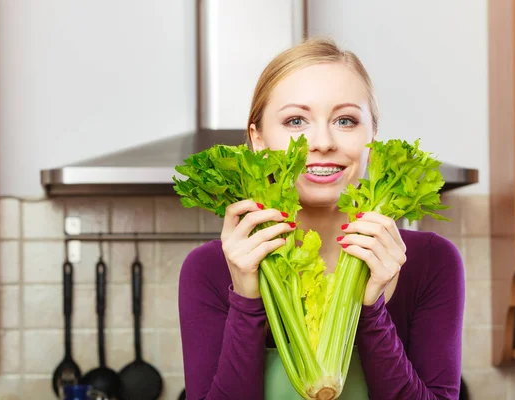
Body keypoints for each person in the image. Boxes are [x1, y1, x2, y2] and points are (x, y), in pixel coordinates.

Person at [178, 37, 465, 400]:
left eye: (345, 120)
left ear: (372, 137)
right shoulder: (209, 269)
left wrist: (372, 311)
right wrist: (247, 301)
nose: (323, 141)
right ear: (259, 140)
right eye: (296, 120)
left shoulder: (431, 262)